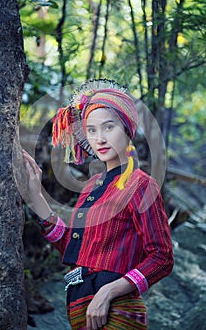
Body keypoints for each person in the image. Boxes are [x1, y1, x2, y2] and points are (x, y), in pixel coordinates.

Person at [23, 79, 174, 330]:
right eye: (91, 130)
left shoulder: (141, 185)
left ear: (127, 130)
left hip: (116, 311)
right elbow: (74, 248)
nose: (100, 138)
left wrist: (108, 292)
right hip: (80, 308)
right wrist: (35, 195)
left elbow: (162, 257)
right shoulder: (92, 187)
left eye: (108, 127)